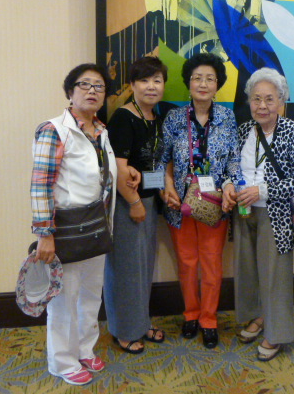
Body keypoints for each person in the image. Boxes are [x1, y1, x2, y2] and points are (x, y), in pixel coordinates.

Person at [30, 63, 119, 386]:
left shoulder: (101, 131)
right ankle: (62, 361)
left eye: (99, 86)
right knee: (64, 299)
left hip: (96, 226)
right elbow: (41, 185)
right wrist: (45, 234)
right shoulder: (54, 130)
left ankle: (84, 348)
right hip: (65, 228)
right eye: (85, 84)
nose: (92, 91)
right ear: (70, 91)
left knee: (91, 294)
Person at [159, 52, 242, 349]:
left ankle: (208, 319)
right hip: (179, 204)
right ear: (188, 83)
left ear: (217, 84)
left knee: (211, 263)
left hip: (215, 204)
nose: (203, 84)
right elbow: (162, 159)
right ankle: (191, 314)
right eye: (197, 78)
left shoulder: (227, 117)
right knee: (186, 262)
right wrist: (167, 186)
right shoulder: (174, 118)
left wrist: (231, 185)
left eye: (209, 79)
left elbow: (233, 159)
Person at [233, 68, 294, 361]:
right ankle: (259, 316)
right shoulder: (244, 130)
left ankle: (276, 333)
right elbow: (232, 165)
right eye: (256, 99)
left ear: (281, 100)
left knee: (275, 275)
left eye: (269, 99)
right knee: (250, 270)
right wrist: (231, 185)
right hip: (244, 211)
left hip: (276, 215)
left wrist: (262, 190)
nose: (262, 105)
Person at [104, 56, 168, 354]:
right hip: (128, 204)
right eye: (144, 80)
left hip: (149, 201)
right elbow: (118, 169)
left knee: (143, 267)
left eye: (157, 80)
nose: (151, 86)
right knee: (126, 269)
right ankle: (124, 330)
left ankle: (140, 323)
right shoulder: (122, 117)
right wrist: (133, 203)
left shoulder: (155, 116)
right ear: (132, 85)